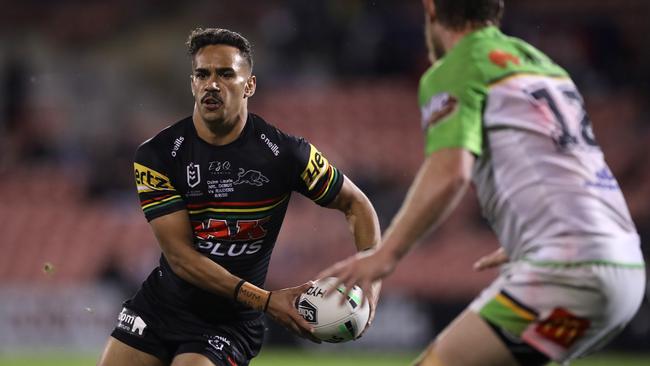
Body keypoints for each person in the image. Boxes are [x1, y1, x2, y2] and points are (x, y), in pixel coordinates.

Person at [319, 1, 646, 365]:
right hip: (624, 267)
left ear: (430, 8)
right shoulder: (544, 66)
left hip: (568, 271)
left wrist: (385, 255)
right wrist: (531, 232)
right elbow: (570, 164)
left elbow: (450, 174)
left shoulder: (460, 65)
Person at [97, 28, 381, 366]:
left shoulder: (285, 154)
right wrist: (265, 300)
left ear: (249, 86)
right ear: (192, 84)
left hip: (229, 323)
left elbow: (357, 205)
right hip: (160, 307)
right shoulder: (158, 156)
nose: (212, 84)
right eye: (202, 74)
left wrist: (371, 284)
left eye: (226, 74)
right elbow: (181, 258)